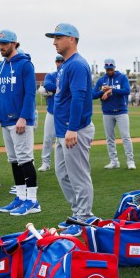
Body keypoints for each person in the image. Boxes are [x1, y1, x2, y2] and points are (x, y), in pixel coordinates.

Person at [45, 23, 97, 236]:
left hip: (74, 129)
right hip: (63, 129)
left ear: (72, 39)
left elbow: (79, 97)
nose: (55, 42)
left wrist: (72, 128)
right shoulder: (66, 65)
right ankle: (78, 213)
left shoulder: (76, 64)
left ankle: (84, 217)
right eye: (54, 38)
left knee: (79, 175)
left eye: (59, 37)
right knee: (63, 174)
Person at [0, 30, 40, 216]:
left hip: (20, 121)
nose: (1, 46)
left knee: (25, 160)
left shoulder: (25, 65)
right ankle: (20, 197)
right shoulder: (0, 68)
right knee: (14, 161)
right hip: (5, 120)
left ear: (14, 44)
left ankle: (33, 201)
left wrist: (24, 117)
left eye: (5, 43)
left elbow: (30, 94)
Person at [92, 58, 135, 170]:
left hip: (121, 111)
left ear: (114, 68)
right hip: (107, 112)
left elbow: (127, 90)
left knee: (125, 137)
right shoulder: (101, 80)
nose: (109, 71)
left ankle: (130, 161)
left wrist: (111, 90)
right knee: (109, 138)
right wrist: (103, 91)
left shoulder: (122, 77)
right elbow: (92, 95)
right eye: (107, 69)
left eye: (111, 68)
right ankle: (114, 161)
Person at [37, 54, 64, 172]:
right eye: (58, 61)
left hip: (64, 113)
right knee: (48, 138)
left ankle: (63, 163)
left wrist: (54, 90)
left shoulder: (68, 74)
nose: (60, 63)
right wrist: (61, 88)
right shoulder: (51, 75)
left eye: (61, 61)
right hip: (52, 112)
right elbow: (47, 84)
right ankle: (45, 163)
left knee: (62, 139)